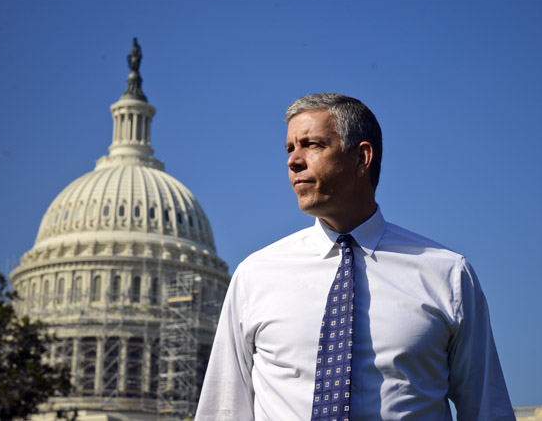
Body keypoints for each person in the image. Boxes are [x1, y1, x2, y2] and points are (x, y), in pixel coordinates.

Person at [195, 93, 515, 420]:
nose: (293, 161)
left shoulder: (447, 274)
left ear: (362, 158)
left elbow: (487, 410)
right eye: (290, 148)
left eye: (313, 145)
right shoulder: (255, 276)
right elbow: (223, 411)